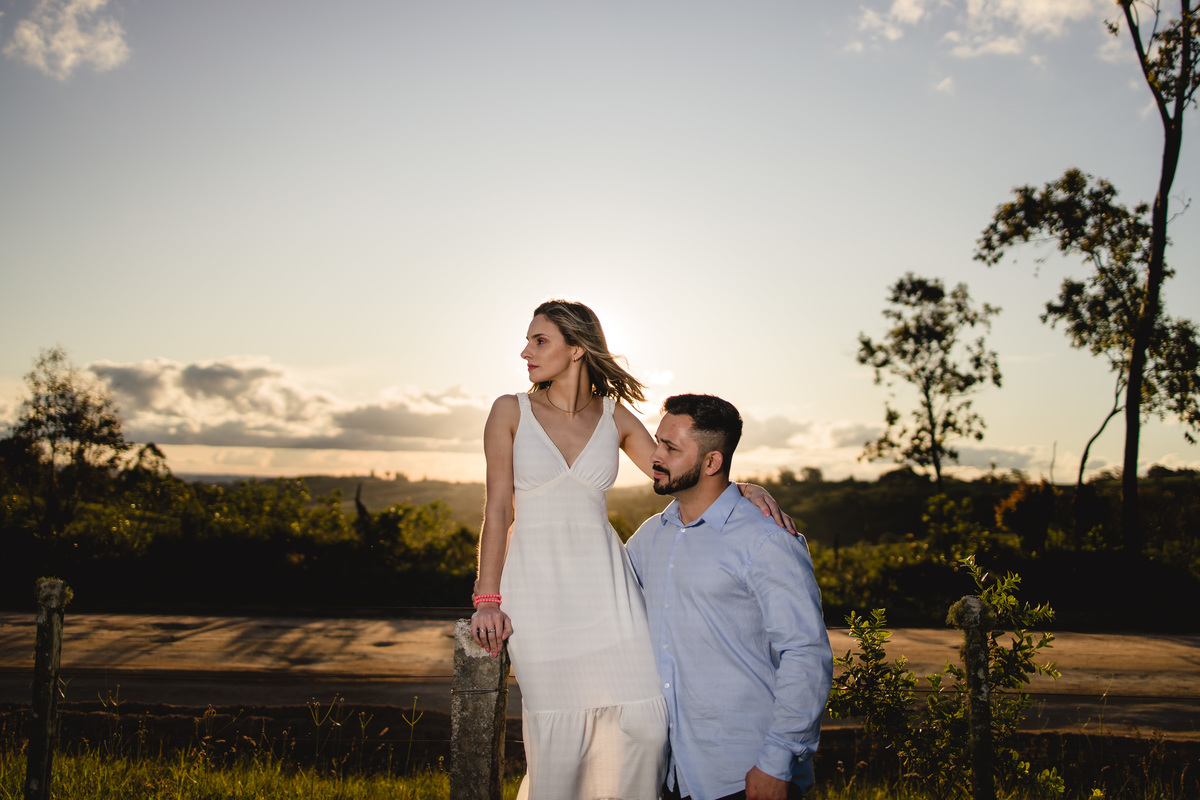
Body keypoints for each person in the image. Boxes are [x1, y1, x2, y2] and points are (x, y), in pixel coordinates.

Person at [471, 300, 792, 800]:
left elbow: (674, 470)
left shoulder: (614, 416)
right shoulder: (510, 411)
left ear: (577, 349)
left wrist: (741, 485)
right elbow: (497, 508)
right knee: (558, 738)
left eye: (540, 341)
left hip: (608, 590)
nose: (525, 352)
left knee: (644, 723)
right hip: (537, 590)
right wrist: (486, 596)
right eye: (529, 340)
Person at [624, 394, 833, 800]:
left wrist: (777, 761)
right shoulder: (651, 536)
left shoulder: (766, 540)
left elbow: (806, 654)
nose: (655, 455)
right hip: (671, 775)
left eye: (670, 447)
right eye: (658, 441)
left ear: (711, 463)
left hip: (746, 772)